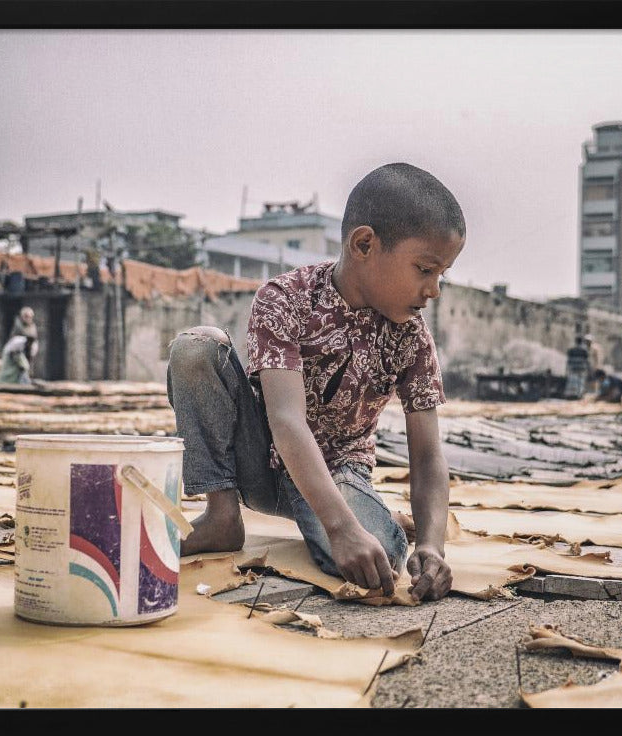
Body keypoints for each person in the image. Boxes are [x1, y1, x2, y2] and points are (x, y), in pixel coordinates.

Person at [166, 162, 464, 603]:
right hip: (261, 463)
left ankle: (370, 516)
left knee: (380, 555)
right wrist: (342, 529)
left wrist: (432, 546)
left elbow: (427, 455)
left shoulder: (410, 337)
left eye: (442, 275)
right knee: (196, 347)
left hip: (339, 471)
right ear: (364, 244)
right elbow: (286, 421)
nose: (434, 290)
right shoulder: (286, 299)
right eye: (424, 269)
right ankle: (222, 516)